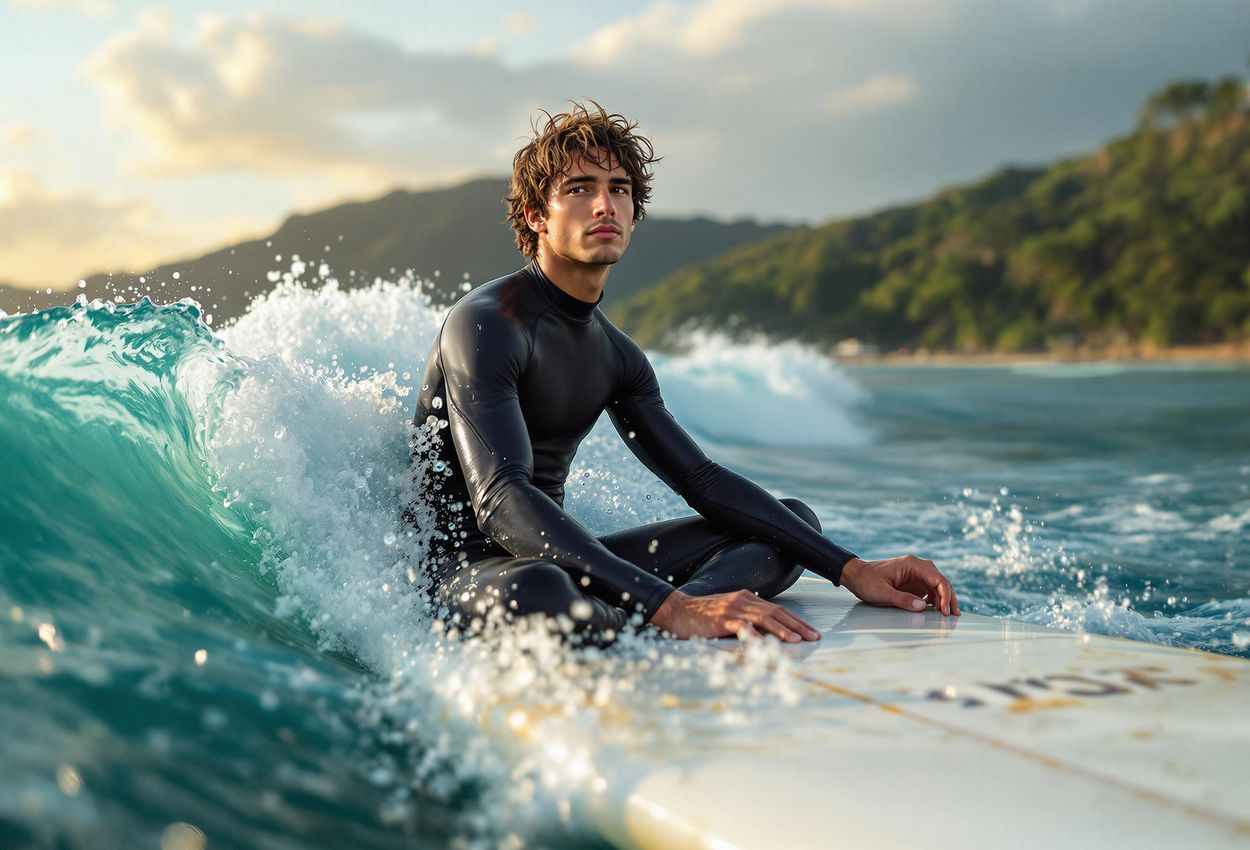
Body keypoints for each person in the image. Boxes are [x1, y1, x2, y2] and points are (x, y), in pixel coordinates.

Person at [411, 102, 959, 644]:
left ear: (634, 210)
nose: (604, 204)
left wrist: (852, 569)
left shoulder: (615, 354)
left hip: (567, 565)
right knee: (542, 592)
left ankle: (645, 617)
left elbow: (701, 481)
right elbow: (501, 498)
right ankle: (661, 616)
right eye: (579, 189)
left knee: (790, 526)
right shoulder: (486, 324)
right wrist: (667, 602)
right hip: (470, 573)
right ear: (537, 216)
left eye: (619, 189)